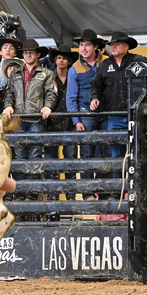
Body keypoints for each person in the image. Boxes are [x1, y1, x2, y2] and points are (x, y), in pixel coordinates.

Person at [3, 39, 57, 200]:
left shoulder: (46, 73)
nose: (28, 55)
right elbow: (9, 93)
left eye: (31, 52)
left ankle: (31, 193)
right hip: (19, 119)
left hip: (36, 119)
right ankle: (20, 192)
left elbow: (51, 93)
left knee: (34, 155)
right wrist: (8, 106)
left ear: (37, 54)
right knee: (19, 156)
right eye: (25, 52)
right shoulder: (15, 74)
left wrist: (48, 106)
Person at [91, 31, 147, 176]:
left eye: (117, 45)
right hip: (115, 115)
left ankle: (137, 189)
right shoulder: (105, 65)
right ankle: (119, 189)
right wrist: (95, 97)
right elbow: (97, 85)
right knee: (115, 154)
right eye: (112, 45)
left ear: (126, 46)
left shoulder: (138, 61)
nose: (113, 47)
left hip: (135, 115)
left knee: (139, 153)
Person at [66, 29, 109, 200]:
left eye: (87, 45)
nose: (83, 48)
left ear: (96, 47)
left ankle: (104, 190)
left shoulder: (106, 63)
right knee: (86, 152)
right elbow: (71, 98)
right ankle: (87, 192)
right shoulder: (74, 69)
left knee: (104, 151)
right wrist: (76, 120)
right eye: (81, 45)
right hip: (86, 114)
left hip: (106, 113)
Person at [46, 45, 79, 201]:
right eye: (59, 57)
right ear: (55, 60)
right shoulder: (49, 78)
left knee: (70, 159)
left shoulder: (74, 76)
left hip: (70, 123)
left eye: (65, 58)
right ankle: (53, 195)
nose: (62, 60)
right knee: (52, 160)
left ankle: (71, 194)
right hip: (52, 123)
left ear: (69, 61)